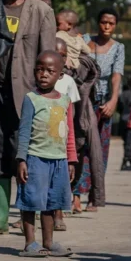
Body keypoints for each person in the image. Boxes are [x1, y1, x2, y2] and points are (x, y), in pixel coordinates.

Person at [0, 0, 56, 235]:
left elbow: (48, 55)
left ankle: (28, 212)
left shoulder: (41, 11)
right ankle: (0, 215)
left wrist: (44, 95)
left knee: (25, 152)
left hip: (27, 94)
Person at [15, 51, 76, 258]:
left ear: (60, 75)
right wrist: (22, 159)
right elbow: (24, 131)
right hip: (35, 158)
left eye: (50, 71)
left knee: (52, 203)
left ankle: (48, 242)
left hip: (58, 160)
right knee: (31, 201)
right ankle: (30, 242)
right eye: (40, 69)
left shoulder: (66, 101)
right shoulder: (31, 99)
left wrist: (71, 160)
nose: (44, 74)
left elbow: (70, 133)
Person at [73, 8, 124, 212]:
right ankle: (75, 193)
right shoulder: (85, 39)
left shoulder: (118, 48)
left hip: (102, 104)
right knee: (79, 146)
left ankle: (94, 194)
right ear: (98, 23)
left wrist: (113, 100)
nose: (107, 26)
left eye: (111, 23)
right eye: (103, 22)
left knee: (98, 150)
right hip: (83, 100)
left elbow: (116, 75)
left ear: (115, 26)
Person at [53, 37, 80, 230]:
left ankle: (58, 214)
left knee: (59, 179)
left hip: (61, 137)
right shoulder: (39, 77)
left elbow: (72, 114)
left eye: (62, 55)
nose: (59, 59)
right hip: (42, 137)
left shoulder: (69, 81)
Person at [117, 84, 131, 171]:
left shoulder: (121, 95)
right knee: (129, 141)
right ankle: (128, 158)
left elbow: (118, 108)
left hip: (122, 120)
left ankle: (127, 157)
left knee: (125, 141)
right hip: (130, 120)